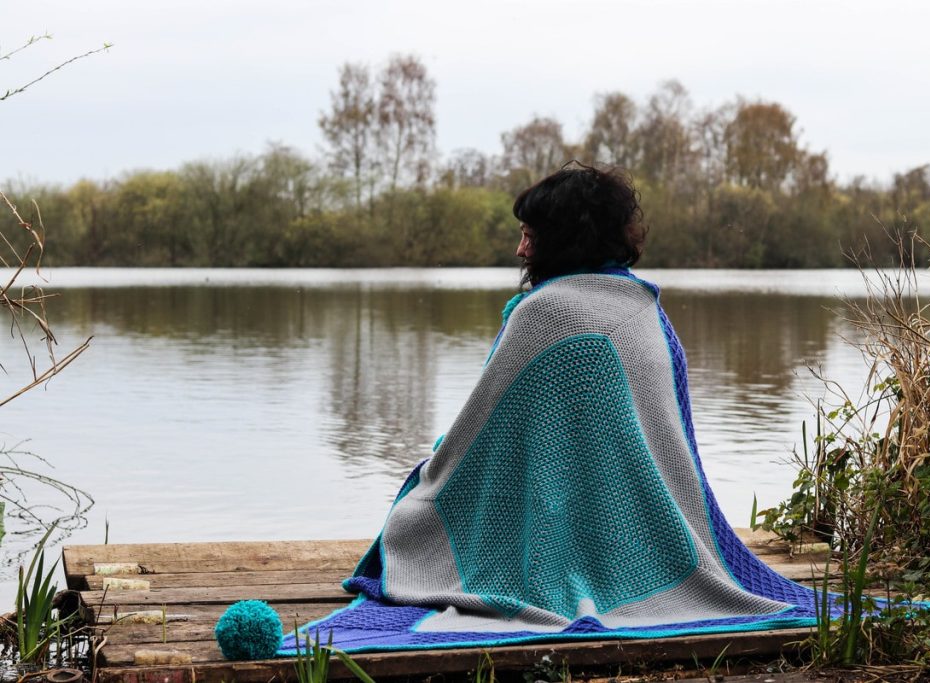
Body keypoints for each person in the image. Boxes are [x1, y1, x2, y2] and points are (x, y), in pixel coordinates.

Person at [279, 162, 834, 654]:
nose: (521, 250)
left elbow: (471, 442)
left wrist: (428, 483)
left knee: (419, 514)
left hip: (559, 546)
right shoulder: (644, 308)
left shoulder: (544, 313)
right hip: (648, 547)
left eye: (529, 235)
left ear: (562, 240)